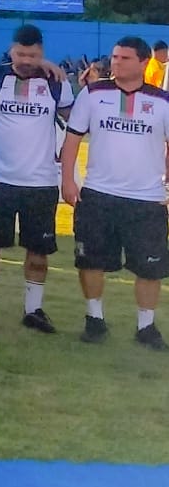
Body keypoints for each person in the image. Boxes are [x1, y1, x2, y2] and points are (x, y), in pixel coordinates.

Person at [61, 36, 169, 350]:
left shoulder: (162, 101)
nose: (116, 63)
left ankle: (146, 327)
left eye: (124, 58)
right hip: (98, 194)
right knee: (90, 261)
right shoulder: (93, 94)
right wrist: (68, 180)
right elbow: (72, 140)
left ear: (143, 62)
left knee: (150, 266)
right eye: (114, 57)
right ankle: (94, 319)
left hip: (146, 199)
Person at [0, 24, 71, 333]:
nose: (25, 59)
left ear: (42, 53)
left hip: (41, 182)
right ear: (11, 50)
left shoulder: (56, 82)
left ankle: (33, 310)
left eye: (33, 54)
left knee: (38, 252)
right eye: (20, 53)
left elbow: (76, 120)